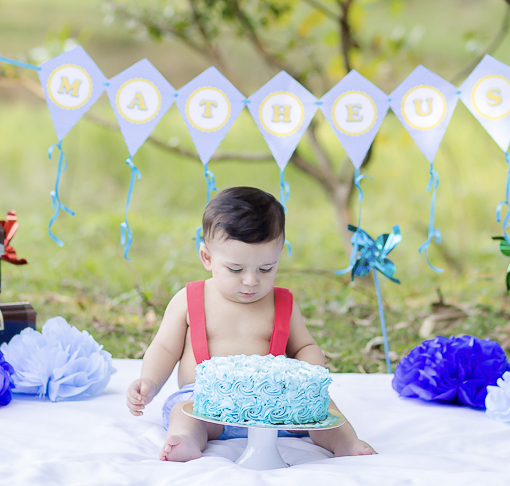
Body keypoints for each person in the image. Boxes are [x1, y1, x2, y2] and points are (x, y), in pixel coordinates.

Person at [126, 186, 377, 461]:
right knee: (183, 413)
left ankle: (346, 443)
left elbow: (304, 345)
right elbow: (164, 347)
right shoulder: (190, 299)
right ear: (207, 258)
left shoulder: (282, 303)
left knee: (326, 409)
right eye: (235, 269)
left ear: (279, 255)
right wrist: (149, 381)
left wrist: (308, 375)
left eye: (266, 269)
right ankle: (187, 440)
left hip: (276, 407)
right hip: (208, 403)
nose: (251, 281)